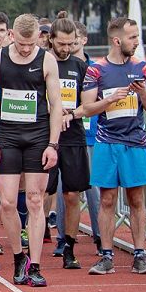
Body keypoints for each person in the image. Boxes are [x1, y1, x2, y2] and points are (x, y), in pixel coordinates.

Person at [0, 13, 63, 287]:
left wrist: (53, 144)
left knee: (35, 200)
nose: (27, 49)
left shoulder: (47, 60)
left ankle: (36, 264)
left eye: (31, 44)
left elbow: (56, 105)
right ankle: (19, 258)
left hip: (38, 136)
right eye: (22, 44)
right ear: (12, 36)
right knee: (6, 202)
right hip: (7, 137)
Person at [82, 17, 146, 275]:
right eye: (132, 37)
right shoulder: (96, 70)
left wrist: (143, 93)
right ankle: (106, 255)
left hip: (135, 143)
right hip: (106, 143)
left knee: (136, 198)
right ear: (117, 40)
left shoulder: (142, 67)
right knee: (107, 199)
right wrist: (111, 99)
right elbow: (86, 108)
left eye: (137, 37)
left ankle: (140, 255)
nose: (136, 42)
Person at [48, 17, 91, 270]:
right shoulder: (41, 62)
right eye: (61, 43)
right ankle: (35, 243)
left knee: (72, 194)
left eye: (70, 44)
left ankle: (69, 247)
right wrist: (54, 114)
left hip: (73, 135)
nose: (66, 48)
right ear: (51, 39)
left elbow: (88, 102)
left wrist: (71, 113)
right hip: (45, 136)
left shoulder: (80, 65)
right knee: (41, 193)